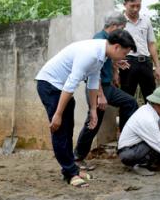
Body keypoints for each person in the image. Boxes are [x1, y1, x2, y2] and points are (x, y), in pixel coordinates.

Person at [35, 29, 136, 187]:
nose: (124, 57)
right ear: (116, 47)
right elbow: (71, 84)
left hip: (61, 88)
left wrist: (94, 111)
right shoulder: (90, 54)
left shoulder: (101, 54)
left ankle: (71, 169)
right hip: (50, 84)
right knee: (60, 129)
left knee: (68, 129)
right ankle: (70, 172)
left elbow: (94, 81)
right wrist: (58, 114)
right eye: (125, 53)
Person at [74, 11, 139, 171]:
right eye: (121, 28)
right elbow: (92, 72)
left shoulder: (110, 40)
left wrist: (116, 67)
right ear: (114, 26)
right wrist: (100, 95)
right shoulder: (99, 39)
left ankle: (125, 141)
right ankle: (77, 157)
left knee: (130, 103)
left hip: (106, 86)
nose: (122, 32)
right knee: (93, 122)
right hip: (97, 88)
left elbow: (107, 61)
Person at [119, 0, 160, 102]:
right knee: (127, 98)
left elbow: (151, 44)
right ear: (125, 4)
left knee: (152, 97)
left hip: (145, 63)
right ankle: (126, 120)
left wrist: (157, 66)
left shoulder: (146, 21)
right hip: (127, 63)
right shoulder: (119, 22)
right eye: (132, 6)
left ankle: (152, 120)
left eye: (138, 6)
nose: (135, 9)